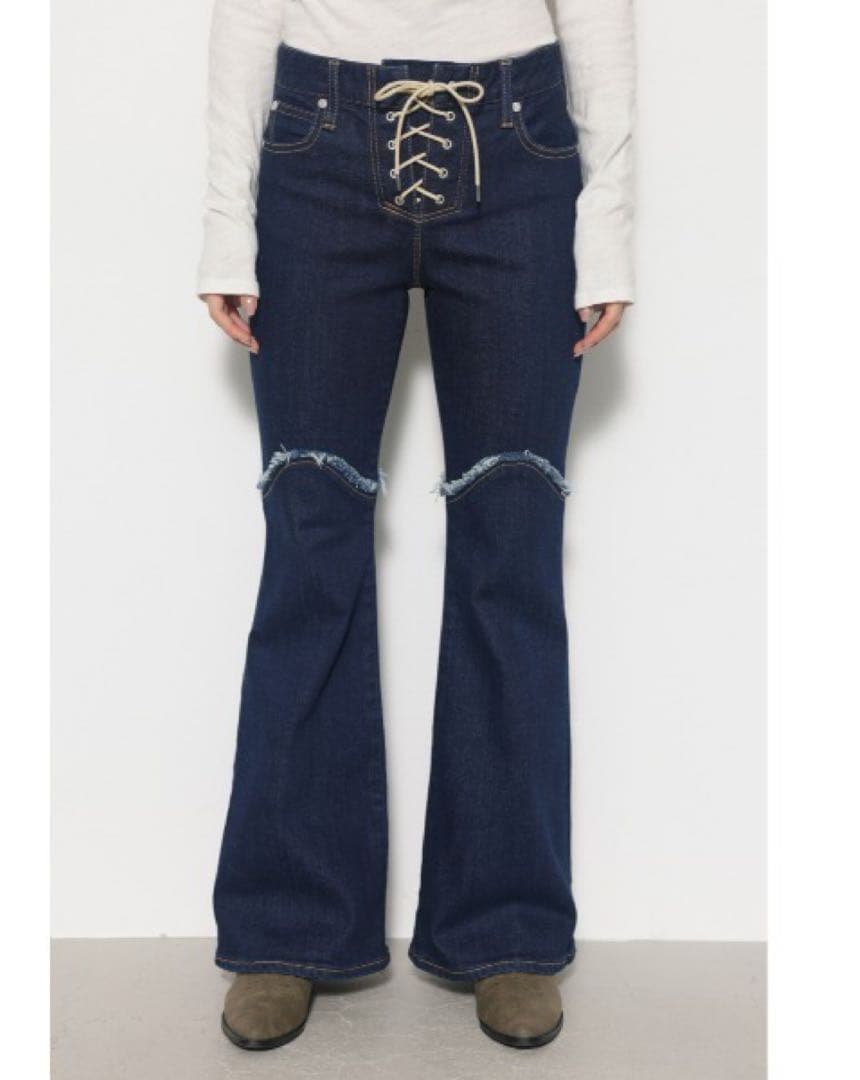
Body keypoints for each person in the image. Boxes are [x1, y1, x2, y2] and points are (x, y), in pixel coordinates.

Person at [197, 0, 634, 1052]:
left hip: (521, 149)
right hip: (315, 148)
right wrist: (225, 221)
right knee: (310, 545)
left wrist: (607, 229)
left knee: (510, 549)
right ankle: (289, 924)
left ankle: (506, 927)